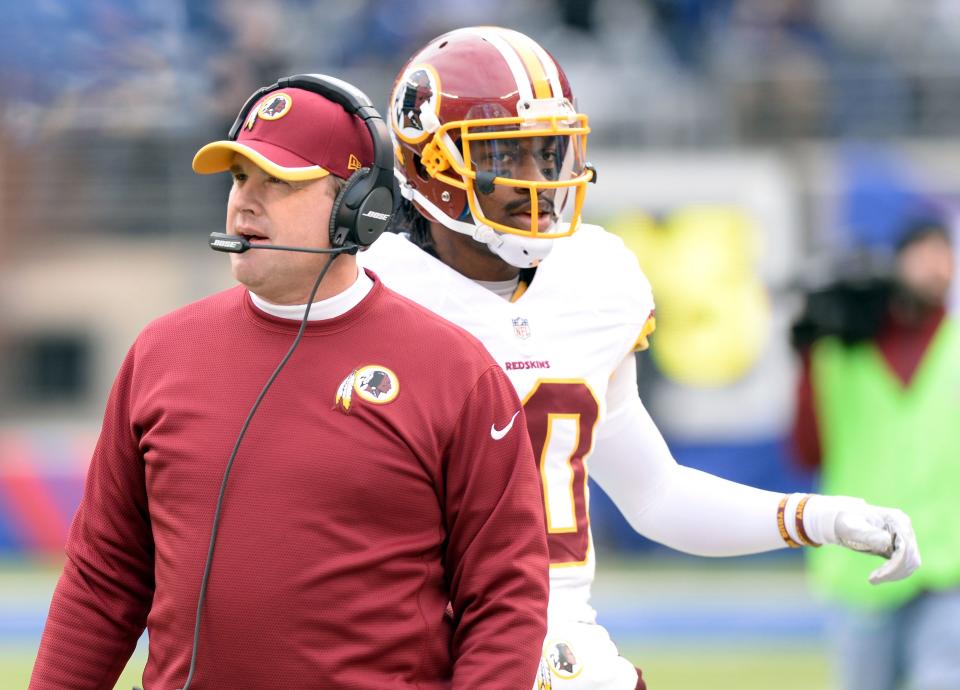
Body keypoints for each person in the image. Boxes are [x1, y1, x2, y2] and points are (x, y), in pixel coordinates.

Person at [358, 26, 923, 690]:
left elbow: (654, 492)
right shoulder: (368, 295)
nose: (539, 182)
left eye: (548, 154)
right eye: (506, 157)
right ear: (432, 165)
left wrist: (818, 516)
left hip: (565, 652)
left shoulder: (595, 276)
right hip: (425, 657)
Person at [30, 75, 550, 689]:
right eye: (239, 179)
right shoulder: (160, 352)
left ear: (359, 206)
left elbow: (505, 598)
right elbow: (104, 576)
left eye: (278, 181)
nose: (244, 203)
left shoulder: (455, 371)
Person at [791, 219, 959, 690]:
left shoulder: (954, 347)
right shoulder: (841, 352)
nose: (937, 268)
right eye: (925, 254)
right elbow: (806, 449)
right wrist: (806, 358)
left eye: (945, 255)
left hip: (947, 562)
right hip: (862, 563)